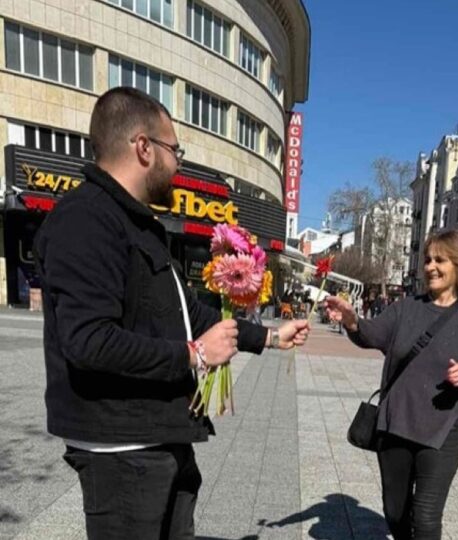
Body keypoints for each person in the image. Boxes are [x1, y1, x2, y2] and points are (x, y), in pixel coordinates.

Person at [34, 88, 310, 540]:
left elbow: (190, 313)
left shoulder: (137, 224)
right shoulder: (85, 219)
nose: (178, 162)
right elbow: (88, 340)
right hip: (122, 449)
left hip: (159, 437)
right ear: (144, 148)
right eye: (174, 149)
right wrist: (194, 356)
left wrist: (271, 338)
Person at [325, 230, 458, 540]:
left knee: (427, 519)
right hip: (396, 427)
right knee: (395, 515)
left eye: (440, 260)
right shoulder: (407, 307)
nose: (430, 266)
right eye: (428, 259)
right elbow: (371, 334)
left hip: (442, 433)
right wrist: (351, 320)